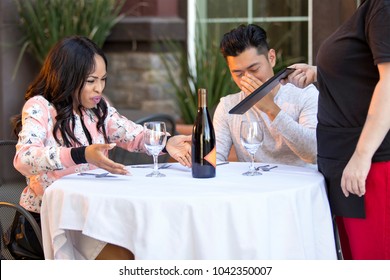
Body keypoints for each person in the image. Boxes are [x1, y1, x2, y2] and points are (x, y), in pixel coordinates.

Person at [12, 35, 192, 260]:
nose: (99, 88)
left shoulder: (98, 108)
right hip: (52, 217)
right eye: (90, 81)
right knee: (126, 258)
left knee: (148, 248)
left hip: (92, 213)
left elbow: (130, 133)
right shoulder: (41, 107)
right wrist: (81, 154)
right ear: (68, 77)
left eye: (103, 79)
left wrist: (166, 142)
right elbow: (24, 158)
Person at [282, 0, 390, 259]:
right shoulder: (370, 6)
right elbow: (364, 72)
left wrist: (361, 157)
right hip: (348, 163)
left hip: (369, 167)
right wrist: (320, 73)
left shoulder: (383, 6)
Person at [213, 24, 319, 167]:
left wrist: (272, 110)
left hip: (299, 186)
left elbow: (314, 153)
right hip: (253, 187)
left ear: (271, 58)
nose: (248, 78)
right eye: (238, 74)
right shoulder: (228, 106)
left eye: (254, 69)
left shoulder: (305, 94)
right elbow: (215, 160)